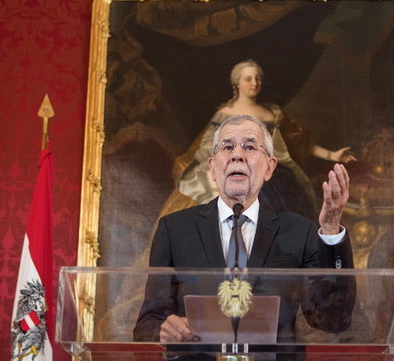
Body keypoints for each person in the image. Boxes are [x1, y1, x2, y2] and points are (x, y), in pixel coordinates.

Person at [134, 114, 356, 343]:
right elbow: (146, 326)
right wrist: (163, 331)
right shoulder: (174, 230)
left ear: (269, 168)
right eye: (227, 147)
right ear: (212, 167)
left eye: (250, 147)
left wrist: (331, 232)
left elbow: (333, 319)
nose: (237, 155)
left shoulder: (300, 232)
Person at [158, 59, 355, 223]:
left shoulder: (272, 112)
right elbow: (207, 148)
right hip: (236, 175)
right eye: (248, 79)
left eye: (257, 78)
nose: (254, 83)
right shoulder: (225, 113)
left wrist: (332, 155)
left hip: (274, 179)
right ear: (237, 83)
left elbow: (299, 144)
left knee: (288, 220)